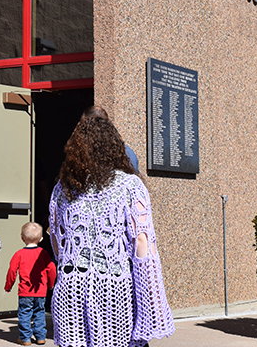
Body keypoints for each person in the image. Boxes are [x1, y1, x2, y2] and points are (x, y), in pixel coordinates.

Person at [48, 105, 174, 347]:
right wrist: (150, 296)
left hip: (70, 287)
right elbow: (141, 242)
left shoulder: (63, 188)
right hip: (116, 290)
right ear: (115, 147)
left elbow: (56, 238)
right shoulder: (130, 186)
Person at [5, 222, 57, 346]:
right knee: (39, 312)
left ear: (22, 238)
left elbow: (12, 271)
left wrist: (8, 286)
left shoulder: (18, 254)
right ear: (41, 239)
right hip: (40, 291)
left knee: (24, 314)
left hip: (25, 292)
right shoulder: (43, 254)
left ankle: (25, 338)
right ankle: (40, 337)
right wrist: (51, 283)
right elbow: (52, 269)